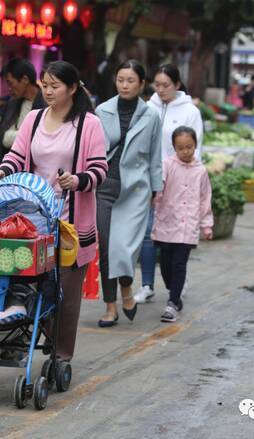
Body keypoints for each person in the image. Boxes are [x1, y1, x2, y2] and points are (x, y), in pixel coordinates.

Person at [0, 60, 107, 361]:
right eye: (46, 85)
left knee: (64, 293)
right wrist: (1, 172)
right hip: (31, 221)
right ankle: (14, 344)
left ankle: (60, 354)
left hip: (69, 224)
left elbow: (99, 170)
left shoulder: (89, 124)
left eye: (55, 86)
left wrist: (77, 180)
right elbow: (16, 155)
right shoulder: (35, 119)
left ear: (72, 88)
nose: (49, 91)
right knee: (22, 282)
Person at [94, 60, 162, 327]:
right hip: (105, 187)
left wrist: (156, 189)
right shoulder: (102, 111)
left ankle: (126, 288)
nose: (124, 85)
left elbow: (155, 155)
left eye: (130, 80)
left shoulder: (151, 115)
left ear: (142, 84)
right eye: (120, 80)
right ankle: (111, 305)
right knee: (107, 248)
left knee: (123, 248)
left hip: (135, 189)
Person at [134, 64, 204, 304]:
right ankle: (146, 284)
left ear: (178, 85)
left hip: (176, 182)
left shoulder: (190, 112)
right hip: (147, 179)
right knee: (147, 234)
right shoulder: (147, 108)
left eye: (166, 85)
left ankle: (178, 279)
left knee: (175, 237)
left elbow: (196, 149)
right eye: (157, 84)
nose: (161, 89)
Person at [151, 127, 213, 323]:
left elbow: (205, 199)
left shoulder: (201, 171)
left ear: (195, 145)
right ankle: (175, 292)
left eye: (189, 147)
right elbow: (157, 186)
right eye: (181, 148)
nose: (185, 151)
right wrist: (153, 192)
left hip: (188, 226)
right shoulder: (167, 165)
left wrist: (207, 225)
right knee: (165, 266)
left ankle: (172, 302)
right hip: (166, 223)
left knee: (179, 264)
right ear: (174, 148)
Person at [0, 58, 46, 167]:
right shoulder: (12, 103)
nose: (9, 89)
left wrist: (10, 137)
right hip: (9, 168)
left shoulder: (46, 105)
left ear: (25, 79)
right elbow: (0, 140)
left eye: (11, 83)